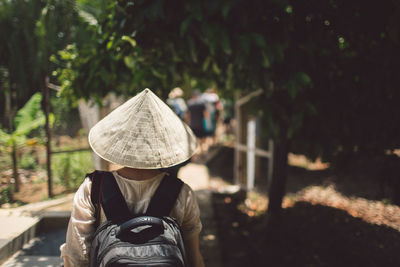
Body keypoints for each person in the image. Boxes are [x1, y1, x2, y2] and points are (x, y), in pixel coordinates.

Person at [60, 88, 205, 267]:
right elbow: (193, 258)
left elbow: (77, 256)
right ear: (164, 143)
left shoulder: (93, 188)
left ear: (121, 140)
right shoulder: (182, 193)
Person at [186, 90, 208, 154]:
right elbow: (206, 115)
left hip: (192, 124)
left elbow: (187, 115)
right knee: (202, 139)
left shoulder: (190, 104)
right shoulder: (202, 103)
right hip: (201, 124)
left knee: (194, 140)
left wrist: (187, 123)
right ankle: (202, 151)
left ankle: (196, 154)